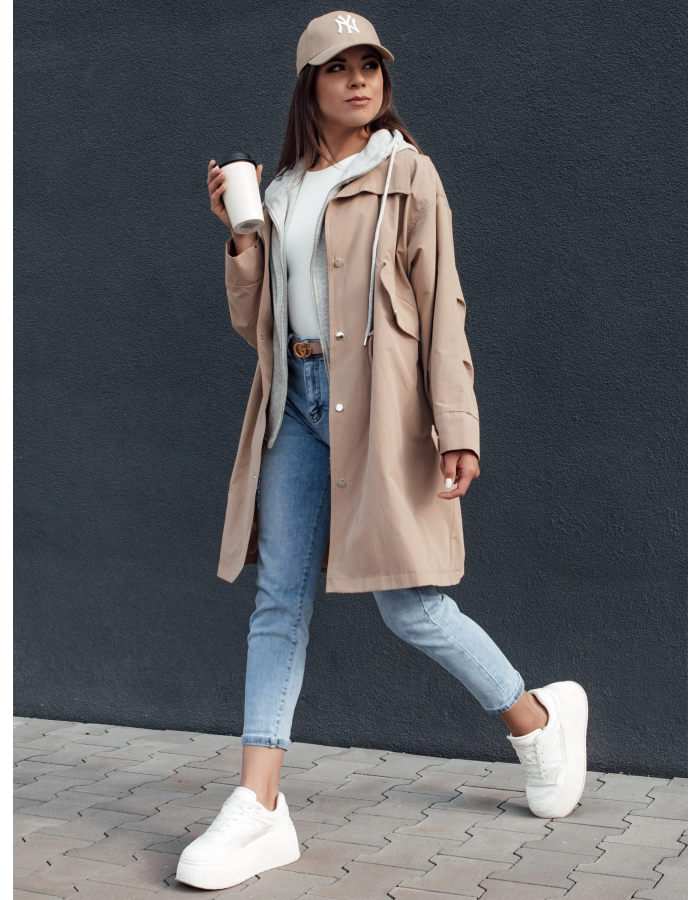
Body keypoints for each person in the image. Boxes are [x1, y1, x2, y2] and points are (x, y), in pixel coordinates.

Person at [178, 10, 589, 892]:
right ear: (310, 86)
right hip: (293, 402)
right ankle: (258, 804)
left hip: (380, 409)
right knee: (279, 600)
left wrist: (457, 424)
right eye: (339, 68)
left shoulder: (407, 174)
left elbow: (443, 303)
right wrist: (242, 238)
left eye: (370, 64)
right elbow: (256, 326)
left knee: (410, 605)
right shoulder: (281, 190)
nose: (359, 79)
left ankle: (537, 722)